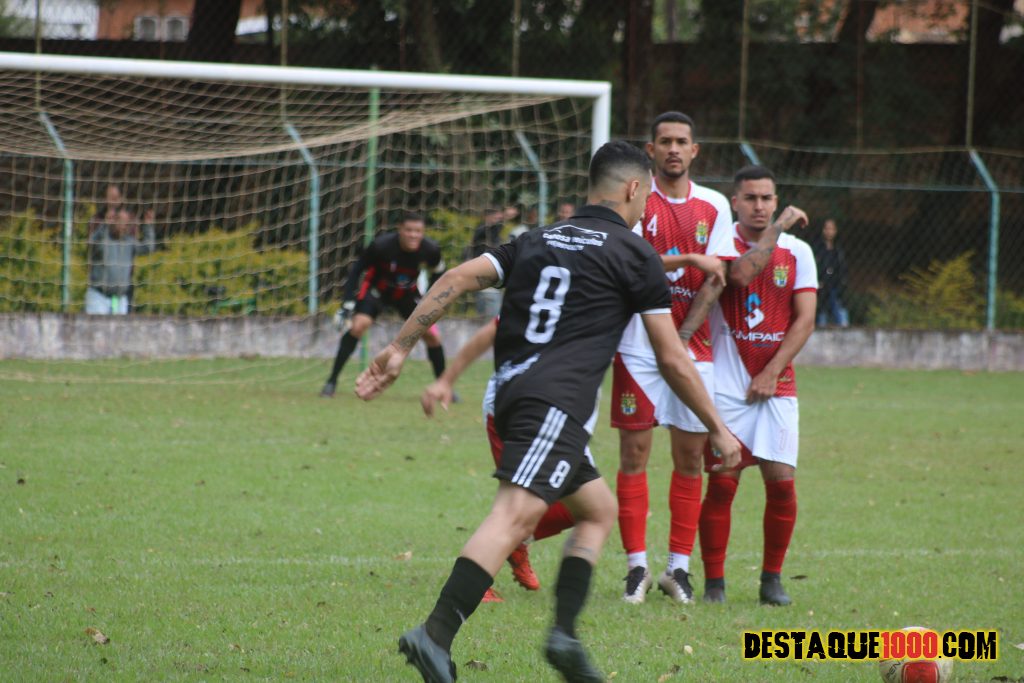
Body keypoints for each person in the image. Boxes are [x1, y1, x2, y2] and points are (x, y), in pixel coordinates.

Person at [356, 140, 741, 683]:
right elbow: (673, 358)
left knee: (598, 511)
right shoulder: (635, 254)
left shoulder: (535, 238)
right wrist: (717, 427)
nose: (645, 207)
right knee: (514, 515)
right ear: (634, 189)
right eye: (646, 198)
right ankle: (434, 634)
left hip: (515, 393)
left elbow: (456, 279)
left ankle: (563, 636)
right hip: (554, 402)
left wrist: (399, 348)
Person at [612, 112, 806, 606]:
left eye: (682, 141)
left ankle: (678, 569)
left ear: (695, 150)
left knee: (690, 460)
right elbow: (627, 263)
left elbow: (719, 278)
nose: (674, 149)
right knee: (633, 455)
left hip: (693, 351)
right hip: (636, 343)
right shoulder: (634, 197)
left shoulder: (714, 205)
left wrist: (682, 337)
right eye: (665, 141)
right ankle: (636, 568)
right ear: (651, 149)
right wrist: (687, 260)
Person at [696, 165, 817, 606]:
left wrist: (772, 372)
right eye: (750, 198)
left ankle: (772, 581)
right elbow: (741, 276)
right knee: (722, 483)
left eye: (767, 198)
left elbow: (805, 319)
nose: (759, 206)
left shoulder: (799, 252)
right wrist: (779, 226)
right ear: (735, 202)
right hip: (725, 388)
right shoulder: (721, 245)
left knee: (782, 484)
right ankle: (714, 585)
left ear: (775, 199)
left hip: (777, 387)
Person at [421, 317, 578, 602]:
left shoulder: (596, 304)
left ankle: (516, 541)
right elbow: (495, 326)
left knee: (587, 507)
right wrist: (446, 379)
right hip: (515, 407)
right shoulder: (546, 295)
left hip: (560, 410)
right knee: (516, 505)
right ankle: (475, 582)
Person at [320, 212, 446, 398]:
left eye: (418, 231)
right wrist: (347, 303)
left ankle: (444, 386)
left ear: (423, 232)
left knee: (432, 337)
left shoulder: (431, 250)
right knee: (358, 326)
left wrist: (431, 299)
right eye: (409, 230)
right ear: (400, 229)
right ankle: (331, 381)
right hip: (377, 291)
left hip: (406, 294)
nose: (413, 235)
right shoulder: (381, 246)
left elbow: (440, 273)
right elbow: (356, 270)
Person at [86, 184, 156, 315]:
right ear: (113, 221)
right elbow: (92, 242)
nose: (123, 225)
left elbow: (148, 247)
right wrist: (104, 225)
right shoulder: (102, 238)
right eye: (120, 221)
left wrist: (148, 226)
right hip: (99, 296)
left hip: (120, 298)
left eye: (126, 222)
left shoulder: (129, 242)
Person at [465, 208, 505, 317]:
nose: (498, 220)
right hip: (482, 277)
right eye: (495, 217)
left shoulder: (495, 233)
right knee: (487, 314)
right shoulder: (481, 230)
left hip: (494, 279)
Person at [812, 218, 850, 327]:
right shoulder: (817, 250)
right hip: (822, 286)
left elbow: (842, 269)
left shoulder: (838, 250)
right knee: (822, 314)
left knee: (840, 311)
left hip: (836, 287)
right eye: (827, 228)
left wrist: (842, 282)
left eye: (832, 229)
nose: (829, 231)